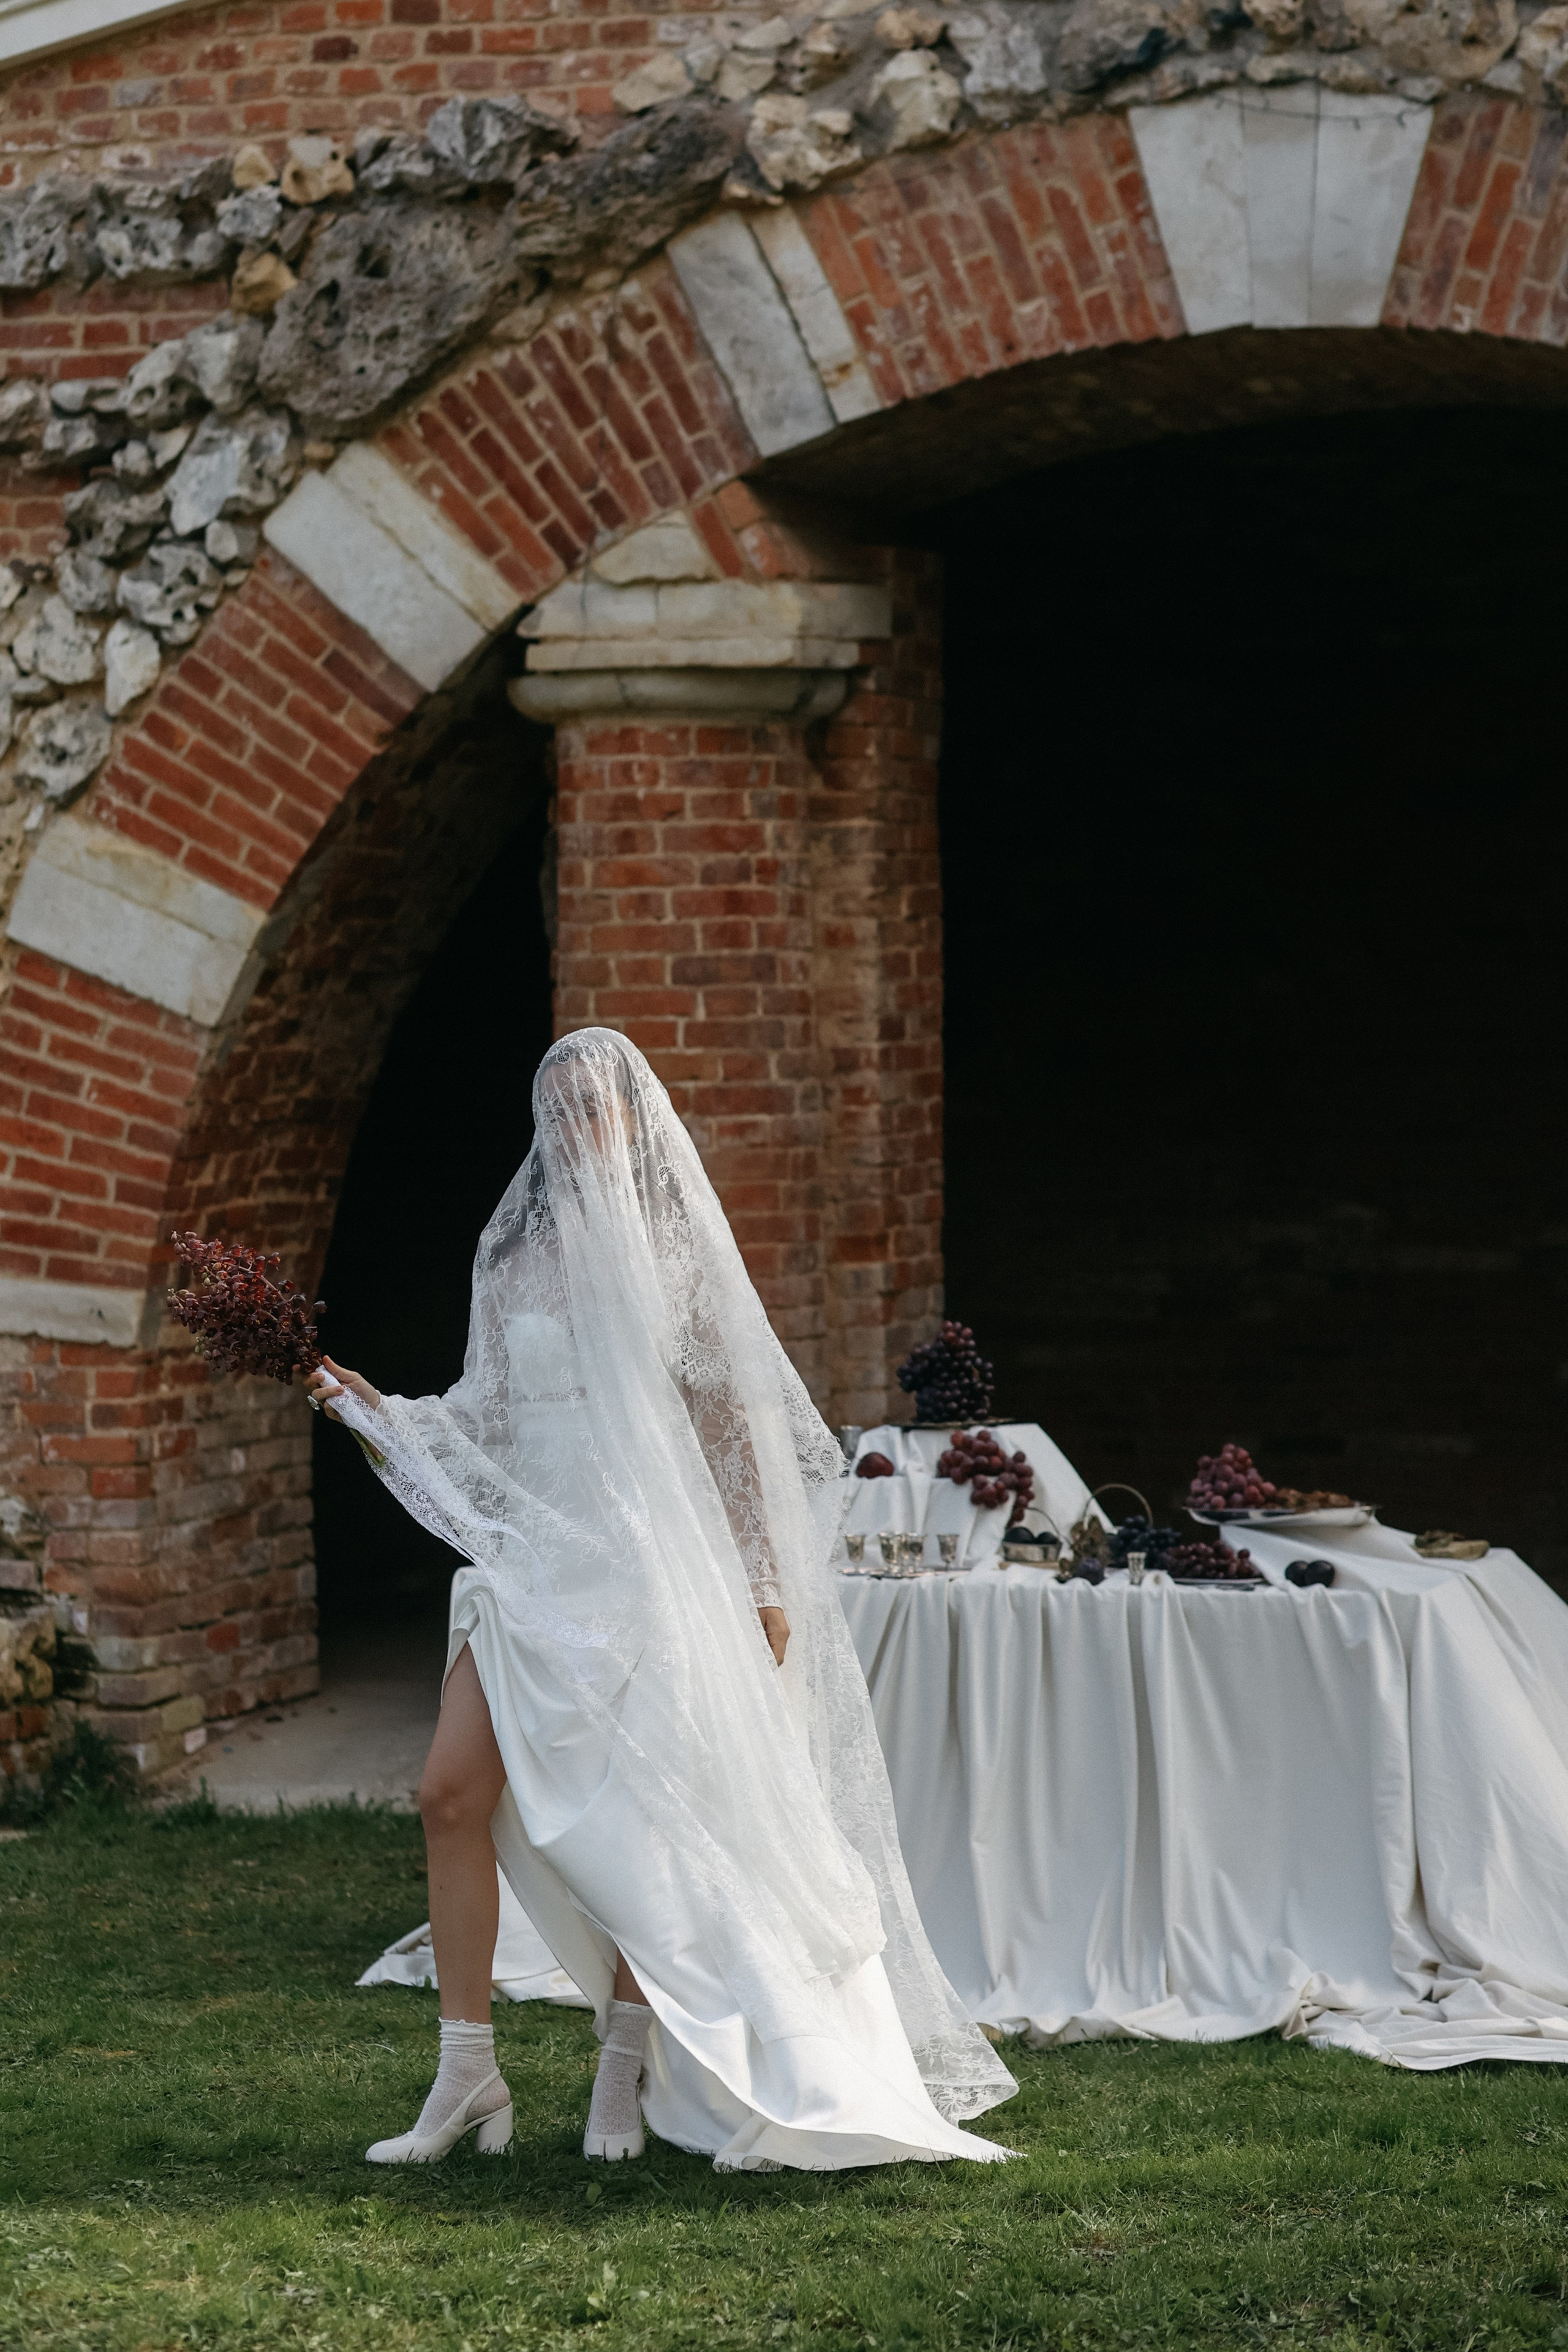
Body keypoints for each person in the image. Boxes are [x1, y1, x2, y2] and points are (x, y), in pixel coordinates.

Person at [306, 1028, 1016, 2172]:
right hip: (534, 1573)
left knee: (657, 1833)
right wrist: (368, 1406)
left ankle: (623, 2063)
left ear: (637, 1120)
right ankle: (466, 2075)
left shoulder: (676, 1250)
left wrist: (765, 1577)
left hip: (651, 1579)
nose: (584, 1123)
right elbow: (484, 1418)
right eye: (565, 1105)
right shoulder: (510, 1263)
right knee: (447, 1793)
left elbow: (735, 1425)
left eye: (603, 1104)